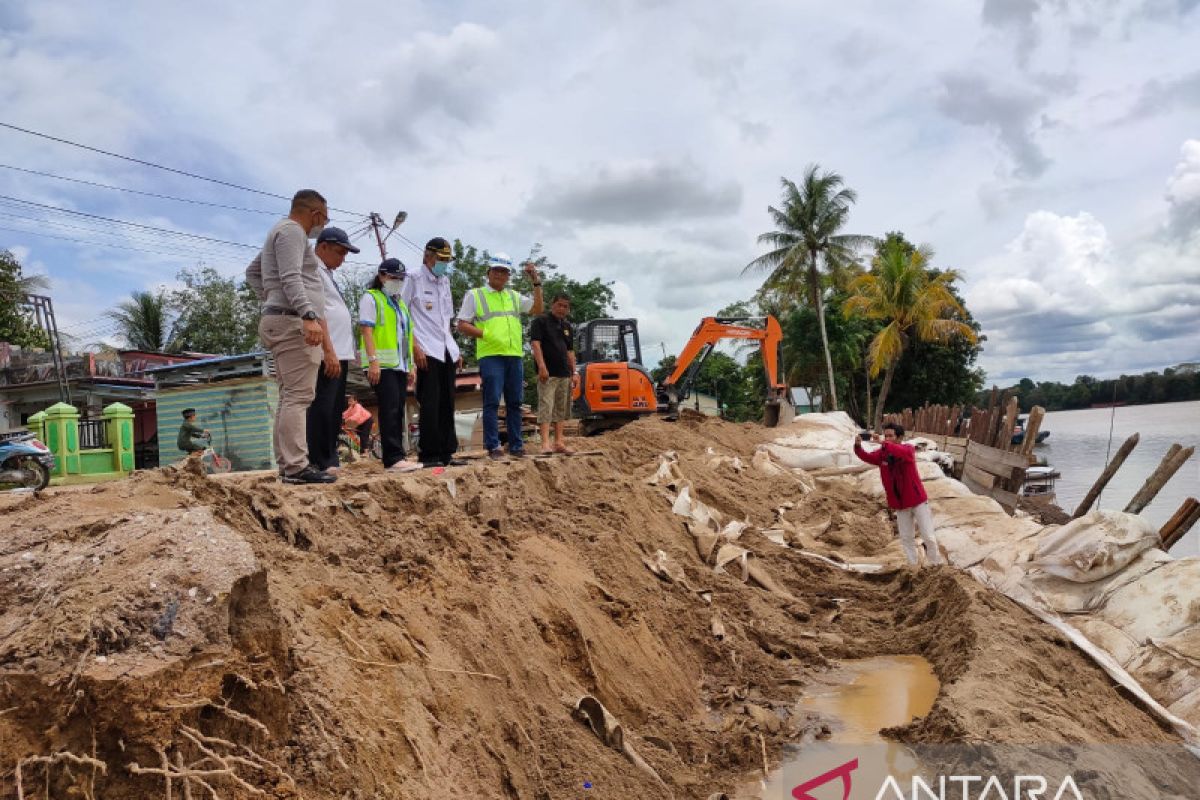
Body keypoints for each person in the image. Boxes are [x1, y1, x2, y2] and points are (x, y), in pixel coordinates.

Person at [245, 189, 336, 484]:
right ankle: (297, 466)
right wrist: (308, 315)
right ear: (316, 214)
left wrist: (270, 299)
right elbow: (291, 277)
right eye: (324, 217)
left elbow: (252, 272)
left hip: (280, 318)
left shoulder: (278, 233)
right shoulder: (293, 232)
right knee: (298, 396)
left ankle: (288, 466)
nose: (323, 223)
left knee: (288, 397)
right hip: (292, 322)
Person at [457, 253, 544, 460]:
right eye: (496, 270)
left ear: (508, 276)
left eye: (504, 272)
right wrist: (486, 334)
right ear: (488, 273)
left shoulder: (513, 296)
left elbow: (537, 309)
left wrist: (536, 282)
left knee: (515, 402)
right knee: (492, 402)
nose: (500, 275)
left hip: (514, 355)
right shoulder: (475, 295)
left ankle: (516, 445)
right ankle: (493, 445)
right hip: (491, 355)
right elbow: (462, 324)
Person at [401, 237, 464, 468]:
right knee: (430, 402)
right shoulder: (413, 278)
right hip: (425, 348)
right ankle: (429, 454)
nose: (444, 264)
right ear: (428, 256)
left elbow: (446, 318)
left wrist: (454, 348)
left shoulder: (444, 281)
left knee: (448, 402)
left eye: (447, 261)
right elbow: (404, 314)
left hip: (445, 347)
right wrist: (414, 346)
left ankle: (447, 452)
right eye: (441, 259)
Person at [359, 258, 422, 472]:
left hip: (399, 365)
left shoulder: (399, 303)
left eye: (401, 279)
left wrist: (410, 365)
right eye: (394, 277)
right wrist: (373, 361)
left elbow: (406, 337)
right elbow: (366, 330)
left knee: (398, 411)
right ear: (382, 276)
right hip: (382, 365)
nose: (398, 282)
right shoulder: (371, 298)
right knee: (389, 409)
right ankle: (392, 458)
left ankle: (398, 455)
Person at [306, 226, 360, 472]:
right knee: (323, 406)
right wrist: (329, 351)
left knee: (335, 408)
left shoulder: (326, 273)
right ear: (323, 246)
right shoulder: (312, 270)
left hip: (341, 350)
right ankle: (320, 459)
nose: (342, 259)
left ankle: (330, 457)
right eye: (339, 252)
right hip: (329, 350)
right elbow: (318, 312)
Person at [852, 422, 943, 566]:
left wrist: (883, 443)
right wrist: (858, 447)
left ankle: (936, 565)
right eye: (885, 435)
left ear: (899, 437)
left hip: (917, 501)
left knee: (928, 536)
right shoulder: (882, 454)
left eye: (891, 436)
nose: (887, 438)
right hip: (900, 505)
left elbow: (901, 452)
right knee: (907, 538)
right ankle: (913, 567)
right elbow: (867, 457)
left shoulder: (908, 449)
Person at [529, 292, 579, 455]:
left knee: (561, 408)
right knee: (546, 406)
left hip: (564, 373)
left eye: (566, 306)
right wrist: (541, 366)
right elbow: (536, 345)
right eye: (560, 305)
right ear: (553, 305)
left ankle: (559, 442)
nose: (562, 309)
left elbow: (570, 351)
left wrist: (575, 372)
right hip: (548, 374)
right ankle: (545, 443)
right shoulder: (540, 321)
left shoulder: (567, 327)